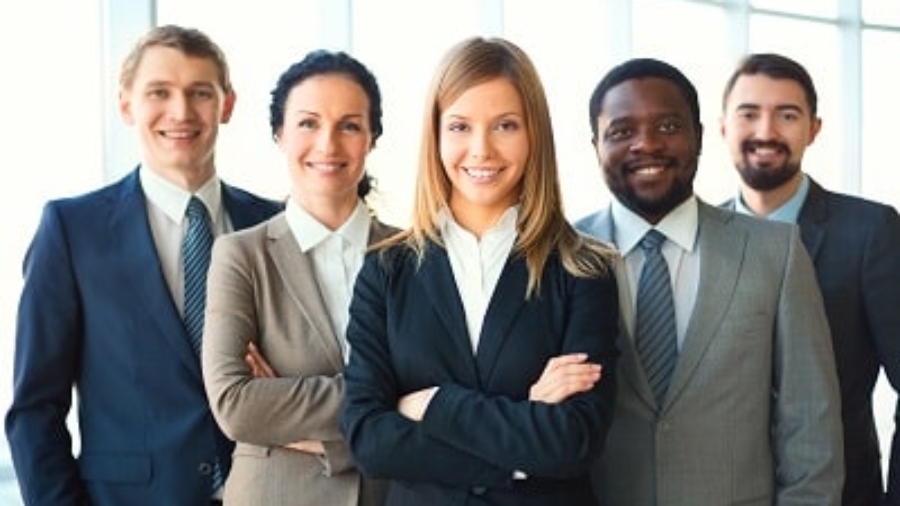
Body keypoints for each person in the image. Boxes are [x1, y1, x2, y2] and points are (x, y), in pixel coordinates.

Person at [4, 25, 281, 506]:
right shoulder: (72, 231)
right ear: (127, 104)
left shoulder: (275, 224)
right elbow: (35, 411)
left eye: (200, 92)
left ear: (227, 104)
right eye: (159, 92)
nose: (181, 112)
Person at [339, 36, 620, 506]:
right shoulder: (386, 270)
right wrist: (521, 442)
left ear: (534, 134)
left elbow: (573, 441)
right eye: (460, 126)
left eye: (505, 125)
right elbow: (369, 439)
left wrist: (432, 405)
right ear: (436, 135)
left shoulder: (583, 268)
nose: (481, 149)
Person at [575, 57, 844, 505]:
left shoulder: (774, 251)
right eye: (622, 131)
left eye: (667, 126)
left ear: (699, 136)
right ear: (596, 146)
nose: (646, 144)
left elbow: (810, 422)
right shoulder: (560, 255)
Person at [201, 49, 395, 506]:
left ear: (372, 138)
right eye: (308, 123)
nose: (328, 144)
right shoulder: (240, 255)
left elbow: (442, 397)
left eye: (349, 125)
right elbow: (235, 404)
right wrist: (389, 402)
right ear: (279, 134)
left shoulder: (412, 255)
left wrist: (290, 413)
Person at [719, 52, 900, 506]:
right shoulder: (700, 238)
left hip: (844, 492)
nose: (766, 132)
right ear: (722, 127)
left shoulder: (870, 232)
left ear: (813, 129)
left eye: (787, 115)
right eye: (749, 114)